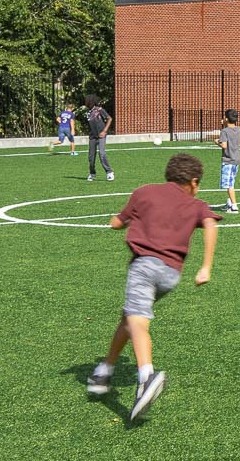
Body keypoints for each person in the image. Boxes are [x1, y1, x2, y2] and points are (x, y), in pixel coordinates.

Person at [85, 153, 219, 422]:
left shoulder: (144, 192)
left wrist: (117, 221)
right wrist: (205, 267)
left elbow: (116, 223)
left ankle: (146, 376)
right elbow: (209, 223)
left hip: (144, 268)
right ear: (193, 182)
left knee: (138, 322)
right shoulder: (196, 204)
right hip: (171, 275)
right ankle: (105, 370)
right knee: (129, 318)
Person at [214, 108, 240, 213]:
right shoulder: (238, 129)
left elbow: (224, 145)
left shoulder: (224, 131)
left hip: (228, 160)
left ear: (226, 118)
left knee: (229, 185)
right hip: (236, 159)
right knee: (232, 181)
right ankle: (229, 202)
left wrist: (217, 142)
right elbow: (231, 135)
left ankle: (234, 206)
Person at [83, 94, 115, 182]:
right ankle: (92, 173)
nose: (86, 102)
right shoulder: (87, 113)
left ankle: (109, 172)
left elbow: (109, 118)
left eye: (87, 101)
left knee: (102, 154)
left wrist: (104, 131)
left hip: (101, 135)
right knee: (91, 157)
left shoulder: (99, 110)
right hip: (92, 137)